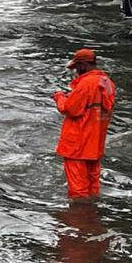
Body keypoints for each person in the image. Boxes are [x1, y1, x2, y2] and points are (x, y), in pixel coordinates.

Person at [52, 49, 117, 202]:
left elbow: (69, 109)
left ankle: (79, 220)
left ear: (83, 64)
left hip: (78, 145)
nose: (75, 71)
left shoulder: (86, 83)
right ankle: (92, 218)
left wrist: (59, 97)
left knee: (78, 191)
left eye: (76, 67)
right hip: (95, 144)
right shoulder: (107, 82)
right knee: (93, 187)